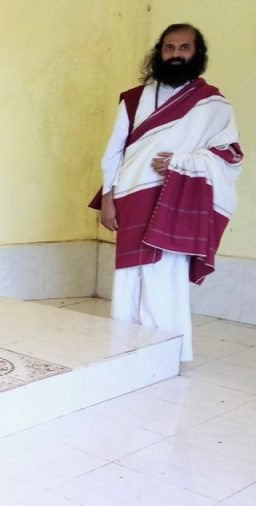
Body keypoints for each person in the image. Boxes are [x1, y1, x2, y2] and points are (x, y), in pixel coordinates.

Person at [93, 23, 243, 361]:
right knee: (129, 276)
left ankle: (164, 354)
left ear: (196, 53)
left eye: (184, 48)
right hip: (132, 198)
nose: (176, 55)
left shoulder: (212, 104)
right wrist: (108, 197)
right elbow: (114, 151)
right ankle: (124, 351)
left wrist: (183, 162)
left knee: (165, 276)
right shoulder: (133, 99)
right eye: (169, 48)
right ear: (159, 52)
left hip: (178, 200)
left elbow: (230, 154)